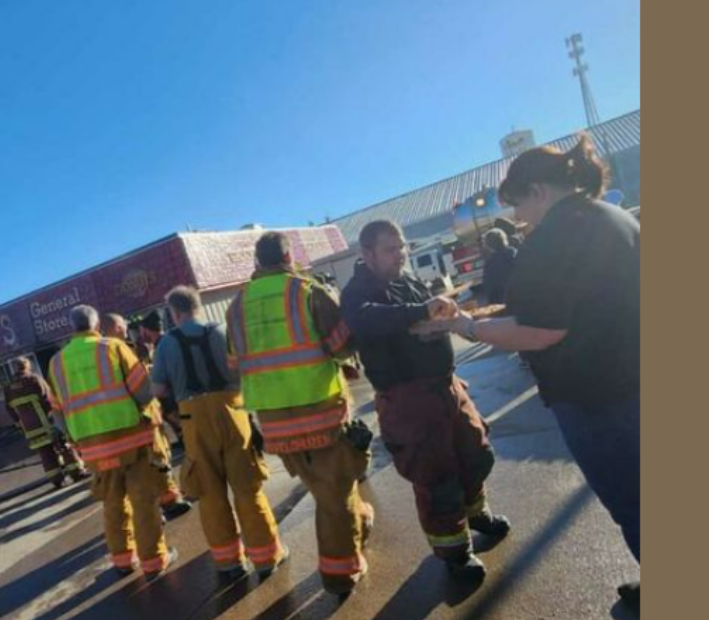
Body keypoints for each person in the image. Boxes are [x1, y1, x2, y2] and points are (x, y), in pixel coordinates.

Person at [433, 135, 640, 610]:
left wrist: (466, 326)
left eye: (519, 205)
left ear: (539, 192)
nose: (520, 218)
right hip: (635, 374)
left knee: (634, 499)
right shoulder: (611, 217)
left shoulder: (556, 236)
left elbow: (541, 330)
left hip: (598, 395)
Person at [340, 219, 511, 582]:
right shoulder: (357, 292)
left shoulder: (409, 280)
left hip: (446, 387)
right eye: (390, 249)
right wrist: (421, 311)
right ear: (366, 253)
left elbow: (424, 317)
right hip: (408, 400)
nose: (400, 254)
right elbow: (366, 321)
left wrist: (445, 313)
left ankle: (477, 514)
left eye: (401, 246)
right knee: (436, 475)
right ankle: (454, 552)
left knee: (475, 453)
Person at [226, 232, 374, 599]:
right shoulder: (304, 291)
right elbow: (343, 345)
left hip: (276, 424)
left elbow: (234, 364)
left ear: (257, 263)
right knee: (336, 495)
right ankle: (340, 574)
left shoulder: (237, 305)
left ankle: (363, 521)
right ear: (288, 257)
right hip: (320, 413)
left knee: (329, 490)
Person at [151, 286, 287, 578]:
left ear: (174, 312)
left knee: (210, 494)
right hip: (233, 412)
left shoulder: (165, 344)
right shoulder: (223, 331)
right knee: (247, 488)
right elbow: (246, 370)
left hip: (194, 420)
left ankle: (229, 563)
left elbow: (159, 389)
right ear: (197, 305)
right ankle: (266, 558)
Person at [49, 305, 179, 581]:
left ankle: (122, 561)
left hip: (94, 449)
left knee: (112, 503)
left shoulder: (56, 363)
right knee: (143, 502)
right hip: (132, 440)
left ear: (72, 328)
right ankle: (154, 561)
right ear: (96, 326)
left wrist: (76, 438)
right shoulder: (113, 348)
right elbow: (144, 392)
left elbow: (57, 412)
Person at [99, 313, 192, 521]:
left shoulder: (131, 347)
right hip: (136, 419)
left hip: (148, 416)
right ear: (114, 327)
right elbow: (140, 388)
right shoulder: (112, 351)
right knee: (142, 472)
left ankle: (170, 501)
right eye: (123, 325)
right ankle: (154, 511)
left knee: (159, 461)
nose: (126, 329)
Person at [3, 357, 89, 489]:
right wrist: (55, 416)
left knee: (45, 453)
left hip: (30, 428)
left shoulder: (8, 387)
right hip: (47, 423)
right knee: (64, 446)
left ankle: (57, 480)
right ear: (26, 366)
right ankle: (76, 472)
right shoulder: (34, 379)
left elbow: (9, 408)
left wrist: (19, 422)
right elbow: (48, 399)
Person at [138, 310, 186, 446]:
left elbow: (165, 382)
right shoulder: (169, 341)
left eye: (142, 331)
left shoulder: (161, 347)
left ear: (147, 330)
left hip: (177, 400)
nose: (141, 335)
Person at [481, 228, 518, 305]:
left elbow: (490, 289)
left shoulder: (489, 265)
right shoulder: (514, 253)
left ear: (488, 245)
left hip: (504, 301)